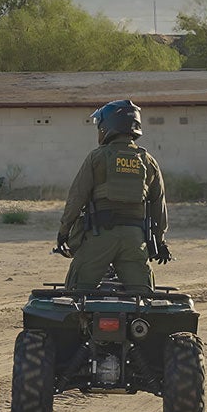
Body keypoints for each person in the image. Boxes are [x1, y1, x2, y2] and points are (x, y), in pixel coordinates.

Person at [55, 99, 170, 293]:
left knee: (76, 292)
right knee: (143, 298)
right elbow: (159, 206)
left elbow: (77, 197)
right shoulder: (148, 161)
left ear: (107, 126)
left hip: (100, 237)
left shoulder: (97, 157)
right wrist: (160, 242)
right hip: (135, 240)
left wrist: (63, 232)